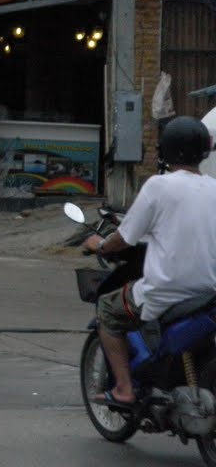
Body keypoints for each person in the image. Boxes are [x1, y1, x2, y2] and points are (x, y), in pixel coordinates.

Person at [82, 116, 216, 408]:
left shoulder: (158, 186)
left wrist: (101, 245)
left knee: (108, 308)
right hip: (208, 293)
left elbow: (125, 238)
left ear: (166, 149)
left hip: (167, 292)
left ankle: (125, 389)